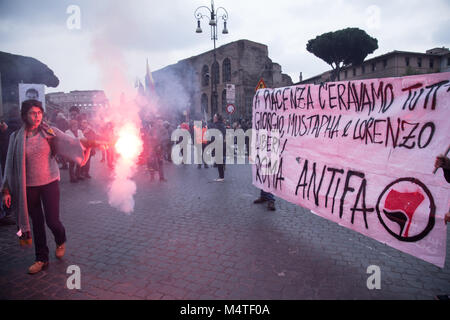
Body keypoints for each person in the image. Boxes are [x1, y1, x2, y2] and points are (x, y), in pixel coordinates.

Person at [2, 100, 92, 274]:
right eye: (32, 113)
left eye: (39, 113)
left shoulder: (50, 132)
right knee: (37, 223)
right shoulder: (15, 138)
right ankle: (41, 258)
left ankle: (60, 239)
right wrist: (6, 190)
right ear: (24, 115)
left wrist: (88, 143)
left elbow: (70, 142)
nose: (36, 117)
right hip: (28, 186)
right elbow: (9, 165)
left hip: (50, 182)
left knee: (52, 221)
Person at [212, 113, 226, 182]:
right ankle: (220, 176)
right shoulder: (219, 125)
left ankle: (221, 177)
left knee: (219, 161)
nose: (213, 118)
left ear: (217, 118)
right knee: (218, 161)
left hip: (219, 145)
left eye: (214, 117)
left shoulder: (219, 125)